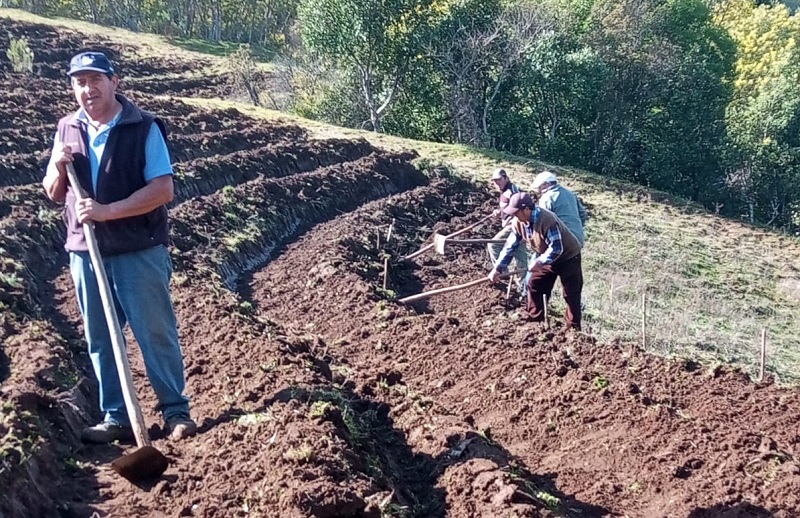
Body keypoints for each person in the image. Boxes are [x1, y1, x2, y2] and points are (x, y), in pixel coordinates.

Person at [42, 51, 196, 443]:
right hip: (85, 250)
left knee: (155, 332)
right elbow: (53, 192)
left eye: (96, 80)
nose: (88, 89)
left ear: (115, 82)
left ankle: (176, 411)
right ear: (73, 88)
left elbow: (163, 189)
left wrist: (109, 211)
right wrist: (58, 166)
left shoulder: (143, 127)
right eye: (80, 82)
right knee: (101, 336)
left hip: (138, 247)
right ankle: (116, 417)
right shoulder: (66, 128)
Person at [488, 192, 583, 330]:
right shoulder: (518, 223)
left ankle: (573, 330)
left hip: (568, 257)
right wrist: (497, 269)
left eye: (516, 212)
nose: (514, 216)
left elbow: (556, 248)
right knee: (535, 284)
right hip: (546, 257)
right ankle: (535, 322)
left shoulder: (547, 220)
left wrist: (539, 262)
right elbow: (510, 247)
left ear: (527, 209)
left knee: (570, 294)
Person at [488, 168, 528, 297]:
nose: (497, 183)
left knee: (493, 244)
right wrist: (499, 211)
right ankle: (523, 288)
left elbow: (519, 207)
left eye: (499, 180)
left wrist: (518, 225)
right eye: (494, 181)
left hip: (514, 225)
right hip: (513, 224)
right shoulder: (504, 191)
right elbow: (507, 207)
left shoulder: (512, 191)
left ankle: (502, 273)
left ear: (506, 178)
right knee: (520, 255)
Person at [531, 171, 589, 247]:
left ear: (547, 184)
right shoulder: (571, 194)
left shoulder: (547, 198)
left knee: (539, 258)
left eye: (539, 187)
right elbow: (583, 215)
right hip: (578, 239)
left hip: (561, 240)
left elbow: (542, 221)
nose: (538, 190)